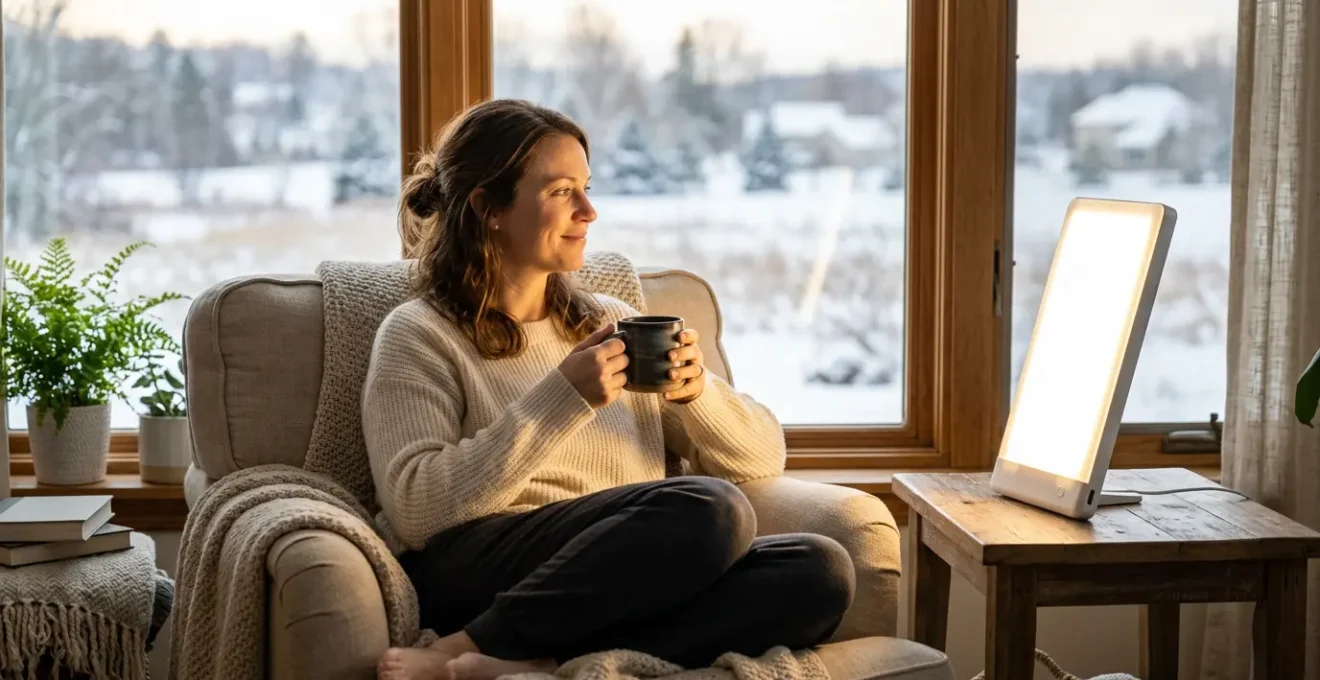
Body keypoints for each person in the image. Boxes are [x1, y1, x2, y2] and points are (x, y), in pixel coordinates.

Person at [364, 99, 855, 680]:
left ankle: (536, 658)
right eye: (560, 191)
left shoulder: (610, 323)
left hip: (615, 577)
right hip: (484, 565)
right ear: (489, 207)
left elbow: (762, 456)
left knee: (819, 569)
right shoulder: (420, 332)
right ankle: (464, 645)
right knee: (709, 508)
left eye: (586, 188)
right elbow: (417, 510)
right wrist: (561, 398)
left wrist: (698, 395)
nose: (589, 211)